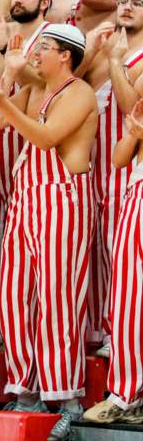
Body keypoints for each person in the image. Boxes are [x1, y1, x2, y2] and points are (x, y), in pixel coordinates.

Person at [0, 24, 97, 440]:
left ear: (66, 54)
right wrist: (7, 77)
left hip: (62, 199)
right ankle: (26, 391)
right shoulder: (32, 88)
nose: (35, 53)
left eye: (43, 47)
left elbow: (45, 138)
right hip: (26, 200)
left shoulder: (78, 92)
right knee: (13, 296)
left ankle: (67, 399)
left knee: (57, 298)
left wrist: (6, 104)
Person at [0, 0, 54, 345]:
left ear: (45, 3)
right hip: (1, 134)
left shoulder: (52, 39)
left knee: (37, 242)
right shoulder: (3, 32)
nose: (18, 0)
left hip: (35, 142)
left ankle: (33, 319)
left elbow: (43, 81)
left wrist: (5, 47)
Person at [80, 0, 143, 351]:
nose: (127, 7)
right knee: (102, 250)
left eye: (137, 3)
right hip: (98, 160)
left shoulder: (130, 56)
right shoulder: (107, 44)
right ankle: (105, 327)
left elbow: (128, 106)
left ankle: (121, 335)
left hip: (129, 161)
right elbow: (76, 83)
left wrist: (117, 62)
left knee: (122, 252)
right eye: (124, 1)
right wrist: (91, 49)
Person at [83, 99, 143, 425]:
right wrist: (134, 135)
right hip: (137, 196)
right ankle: (125, 396)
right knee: (127, 303)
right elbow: (119, 159)